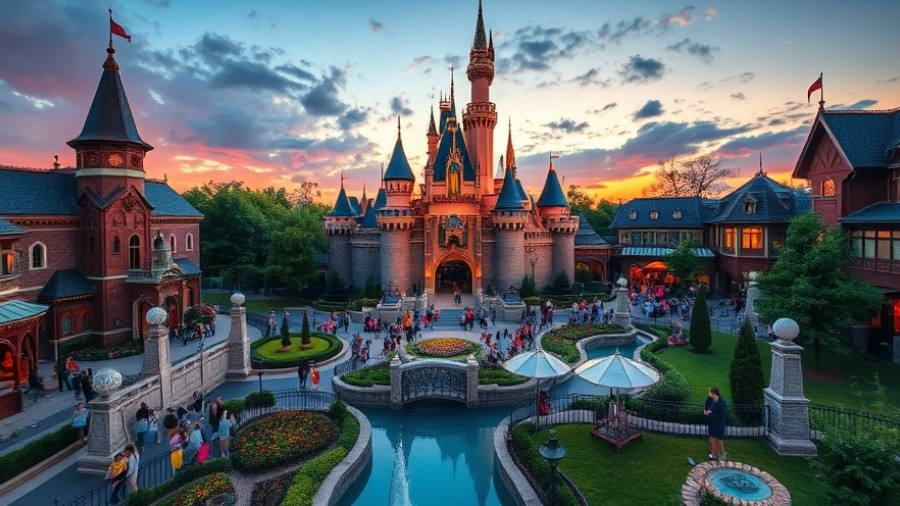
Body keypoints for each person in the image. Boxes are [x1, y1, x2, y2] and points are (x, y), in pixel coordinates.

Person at [703, 386, 727, 460]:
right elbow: (711, 408)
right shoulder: (715, 400)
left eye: (710, 392)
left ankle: (722, 454)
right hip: (714, 421)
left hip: (718, 422)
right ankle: (715, 454)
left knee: (716, 438)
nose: (709, 393)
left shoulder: (720, 401)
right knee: (715, 438)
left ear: (713, 393)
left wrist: (708, 413)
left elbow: (716, 410)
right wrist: (707, 412)